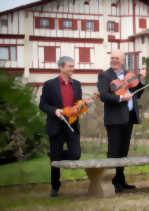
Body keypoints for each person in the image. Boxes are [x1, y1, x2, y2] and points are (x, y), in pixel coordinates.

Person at [39, 56, 92, 197]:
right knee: (55, 163)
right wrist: (54, 110)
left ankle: (54, 156)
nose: (72, 69)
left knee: (75, 154)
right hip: (56, 125)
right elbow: (43, 105)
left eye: (72, 66)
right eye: (69, 66)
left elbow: (77, 106)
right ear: (61, 67)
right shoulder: (49, 85)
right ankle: (55, 187)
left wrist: (85, 105)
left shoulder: (77, 84)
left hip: (72, 125)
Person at [97, 49, 146, 193]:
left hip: (129, 117)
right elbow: (104, 96)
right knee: (114, 151)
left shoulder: (128, 74)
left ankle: (121, 180)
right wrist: (120, 98)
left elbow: (138, 94)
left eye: (117, 58)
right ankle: (112, 182)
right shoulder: (104, 76)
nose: (114, 60)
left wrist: (141, 81)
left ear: (123, 60)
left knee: (124, 151)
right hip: (114, 118)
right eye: (112, 58)